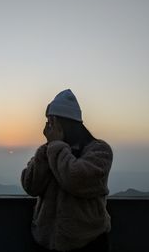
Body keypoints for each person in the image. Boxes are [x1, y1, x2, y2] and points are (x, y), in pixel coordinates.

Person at [21, 89, 113, 252]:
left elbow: (75, 179)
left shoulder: (99, 151)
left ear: (67, 124)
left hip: (87, 242)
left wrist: (55, 145)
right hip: (45, 241)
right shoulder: (50, 151)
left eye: (53, 121)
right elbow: (30, 185)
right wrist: (47, 148)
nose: (49, 127)